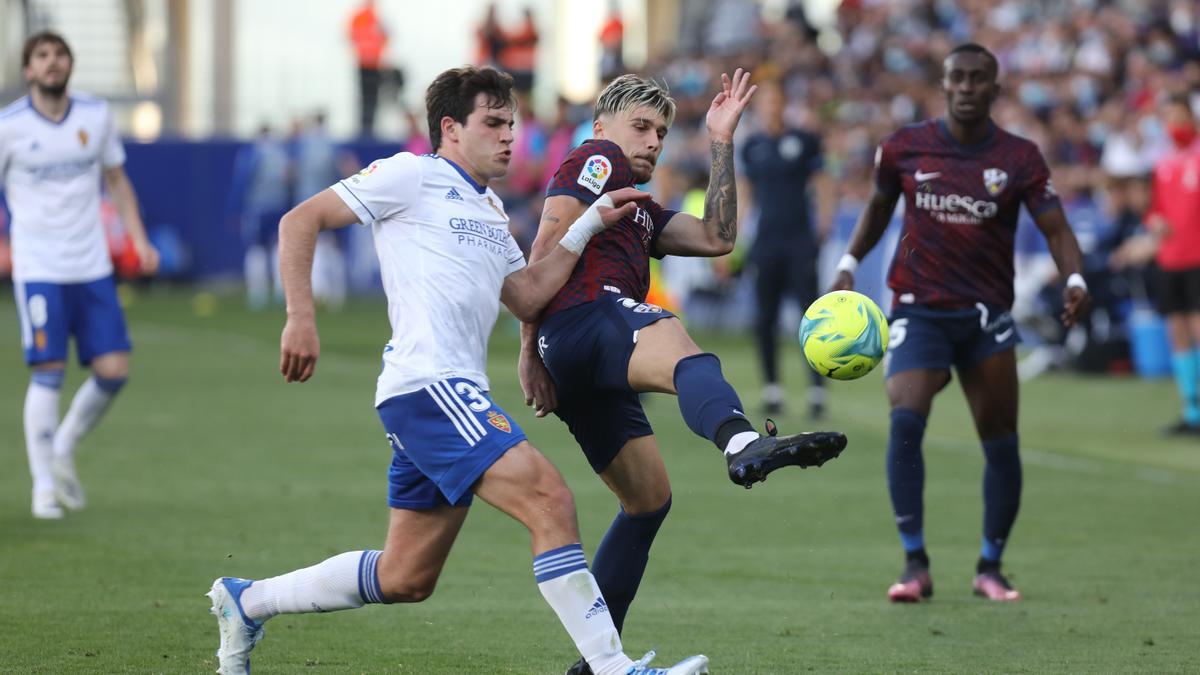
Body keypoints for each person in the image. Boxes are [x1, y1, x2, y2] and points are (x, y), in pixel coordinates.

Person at [206, 66, 708, 675]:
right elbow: (299, 221)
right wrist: (300, 317)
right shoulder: (411, 174)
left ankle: (248, 600)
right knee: (550, 498)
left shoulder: (492, 211)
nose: (507, 138)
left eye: (511, 125)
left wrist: (582, 228)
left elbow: (526, 296)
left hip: (446, 392)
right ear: (450, 128)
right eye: (493, 123)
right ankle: (613, 667)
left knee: (406, 575)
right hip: (428, 386)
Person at [518, 71, 847, 675]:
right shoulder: (596, 158)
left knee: (647, 502)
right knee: (687, 352)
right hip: (587, 320)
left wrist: (721, 139)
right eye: (640, 126)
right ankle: (743, 443)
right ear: (602, 127)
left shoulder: (640, 213)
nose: (651, 142)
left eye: (661, 133)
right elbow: (548, 239)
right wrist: (528, 347)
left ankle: (598, 665)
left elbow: (719, 238)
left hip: (580, 357)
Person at [831, 44, 1091, 603]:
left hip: (986, 314)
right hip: (919, 306)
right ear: (944, 86)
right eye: (958, 78)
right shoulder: (903, 147)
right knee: (905, 416)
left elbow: (1058, 230)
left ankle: (990, 567)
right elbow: (877, 208)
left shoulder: (1020, 158)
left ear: (994, 90)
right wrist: (849, 264)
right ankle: (914, 563)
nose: (968, 87)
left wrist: (1076, 281)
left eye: (979, 79)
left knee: (1000, 441)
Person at [0, 31, 159, 519]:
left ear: (71, 64)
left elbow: (117, 180)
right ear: (28, 69)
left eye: (60, 54)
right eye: (42, 56)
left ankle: (64, 443)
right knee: (48, 372)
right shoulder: (8, 125)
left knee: (114, 371)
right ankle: (43, 485)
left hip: (91, 264)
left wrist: (138, 238)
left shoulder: (95, 115)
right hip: (39, 266)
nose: (53, 63)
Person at [739, 78, 835, 417]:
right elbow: (746, 192)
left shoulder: (804, 140)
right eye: (766, 101)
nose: (772, 106)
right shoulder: (751, 145)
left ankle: (817, 390)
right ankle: (773, 389)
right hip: (766, 239)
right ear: (760, 107)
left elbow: (823, 183)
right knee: (764, 316)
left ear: (784, 103)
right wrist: (735, 234)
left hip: (799, 239)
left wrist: (824, 220)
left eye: (776, 99)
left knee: (811, 316)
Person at [1130, 97, 1200, 434]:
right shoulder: (1163, 163)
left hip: (1197, 256)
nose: (1174, 125)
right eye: (1169, 119)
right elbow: (1154, 208)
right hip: (1170, 259)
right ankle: (1191, 410)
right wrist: (1155, 221)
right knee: (1178, 332)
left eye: (1179, 117)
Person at [348, 0, 388, 137]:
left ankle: (369, 127)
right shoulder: (360, 18)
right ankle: (365, 127)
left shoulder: (377, 19)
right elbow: (353, 37)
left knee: (373, 98)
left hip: (374, 64)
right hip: (365, 63)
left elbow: (385, 37)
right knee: (366, 97)